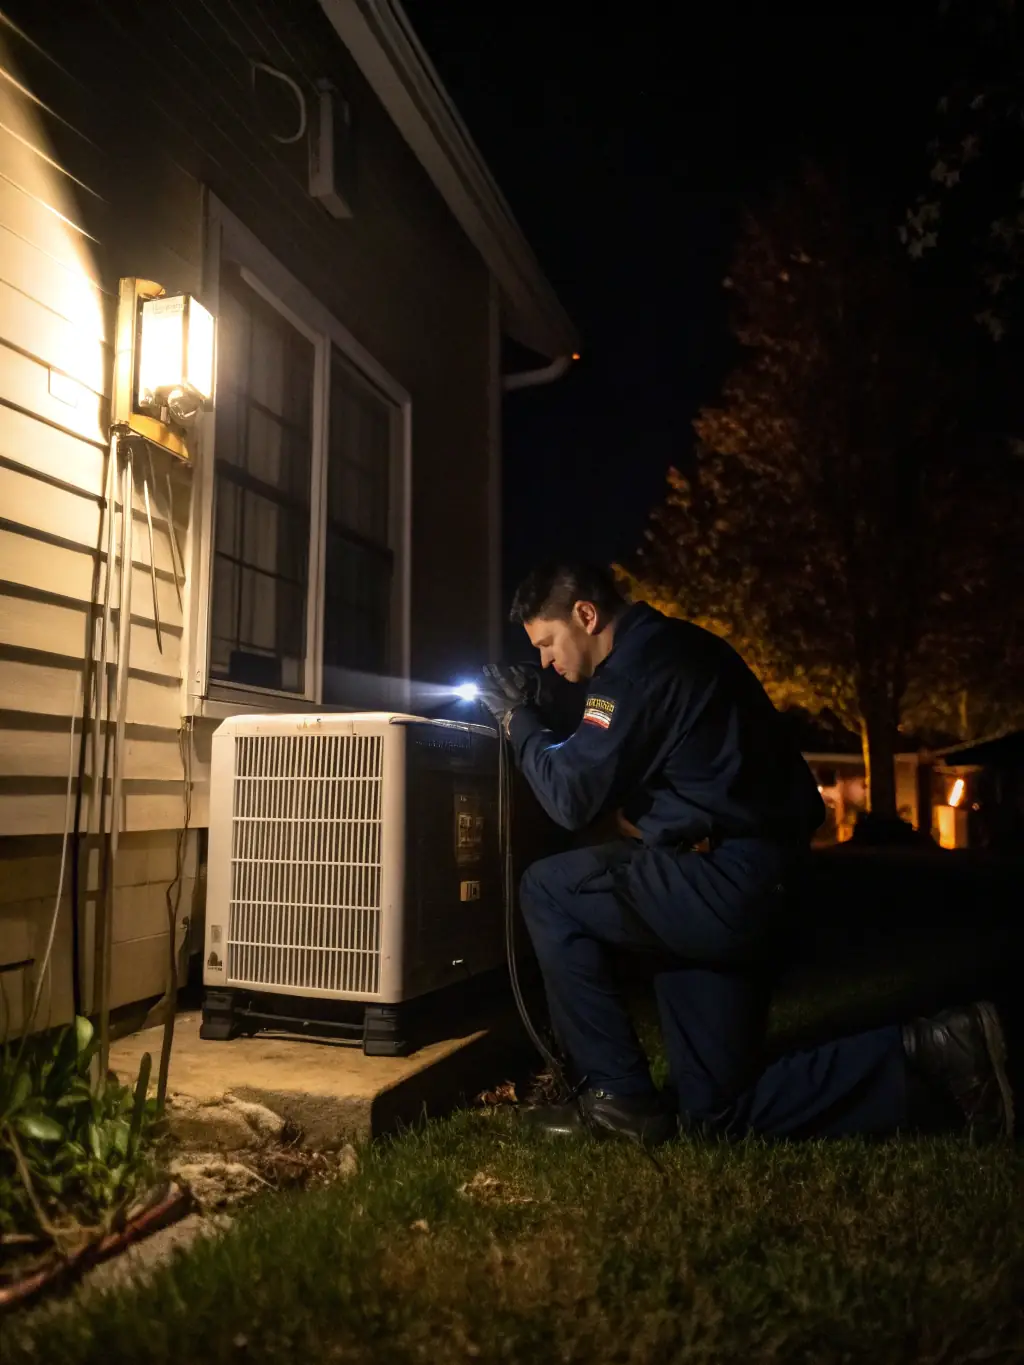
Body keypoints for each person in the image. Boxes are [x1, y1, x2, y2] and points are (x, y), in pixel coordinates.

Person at [476, 562, 1015, 1146]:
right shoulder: (678, 648)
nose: (546, 662)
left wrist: (517, 720)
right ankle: (939, 1053)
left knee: (549, 888)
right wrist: (552, 716)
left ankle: (618, 1099)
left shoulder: (633, 674)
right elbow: (616, 752)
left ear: (586, 614)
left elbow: (570, 795)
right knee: (717, 1113)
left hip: (723, 883)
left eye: (548, 644)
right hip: (755, 877)